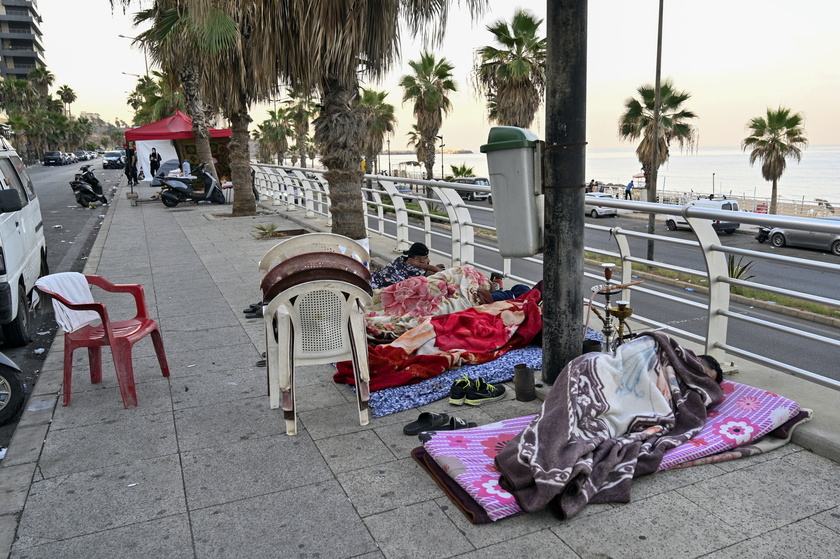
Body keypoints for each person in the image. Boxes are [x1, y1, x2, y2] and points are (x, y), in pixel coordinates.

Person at [370, 242, 445, 289]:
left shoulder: (400, 259)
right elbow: (442, 273)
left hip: (369, 278)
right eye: (426, 258)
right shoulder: (416, 271)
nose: (429, 260)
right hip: (373, 289)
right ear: (416, 259)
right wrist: (420, 265)